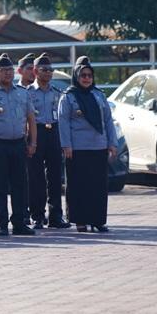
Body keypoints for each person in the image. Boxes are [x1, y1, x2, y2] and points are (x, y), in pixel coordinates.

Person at [0, 53, 37, 236]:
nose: (8, 74)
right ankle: (2, 223)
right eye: (3, 71)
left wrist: (33, 142)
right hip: (0, 145)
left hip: (19, 143)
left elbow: (31, 119)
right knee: (1, 186)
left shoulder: (23, 92)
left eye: (10, 70)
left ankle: (19, 222)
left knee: (20, 185)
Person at [58, 56, 118, 233]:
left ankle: (98, 220)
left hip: (98, 147)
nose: (86, 78)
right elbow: (63, 122)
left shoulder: (98, 95)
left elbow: (108, 120)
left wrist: (112, 143)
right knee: (78, 186)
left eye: (89, 75)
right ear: (76, 76)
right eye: (82, 75)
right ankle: (80, 220)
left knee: (98, 186)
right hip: (77, 149)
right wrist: (66, 145)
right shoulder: (68, 97)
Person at [27, 53, 71, 229]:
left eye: (51, 70)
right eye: (44, 70)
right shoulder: (28, 92)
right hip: (36, 134)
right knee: (35, 177)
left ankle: (55, 216)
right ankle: (37, 216)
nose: (48, 73)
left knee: (54, 176)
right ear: (35, 71)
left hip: (53, 133)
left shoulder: (57, 93)